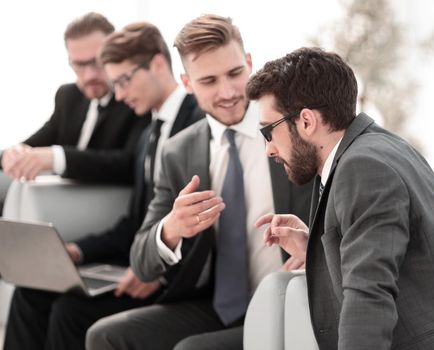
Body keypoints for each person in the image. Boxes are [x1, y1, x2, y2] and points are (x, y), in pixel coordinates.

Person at [85, 14, 311, 350]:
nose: (229, 92)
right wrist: (172, 228)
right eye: (208, 81)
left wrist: (316, 254)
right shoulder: (179, 151)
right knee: (104, 336)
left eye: (235, 73)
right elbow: (141, 260)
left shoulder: (293, 128)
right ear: (187, 83)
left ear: (249, 63)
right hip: (218, 304)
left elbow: (341, 205)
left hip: (292, 299)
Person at [246, 46, 434, 350]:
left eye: (268, 132)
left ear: (306, 121)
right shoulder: (381, 148)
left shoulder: (362, 168)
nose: (269, 149)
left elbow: (369, 296)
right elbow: (388, 256)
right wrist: (314, 246)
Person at [4, 22, 203, 350]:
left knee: (70, 313)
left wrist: (158, 271)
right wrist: (78, 251)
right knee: (30, 292)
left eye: (123, 81)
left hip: (171, 274)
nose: (120, 94)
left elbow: (206, 221)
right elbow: (134, 224)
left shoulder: (194, 123)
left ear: (157, 64)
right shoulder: (149, 135)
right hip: (138, 258)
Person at [0, 12, 148, 184]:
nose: (89, 75)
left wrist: (57, 158)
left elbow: (128, 163)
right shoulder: (69, 96)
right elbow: (35, 144)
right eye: (79, 65)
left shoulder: (134, 98)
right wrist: (11, 154)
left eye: (97, 62)